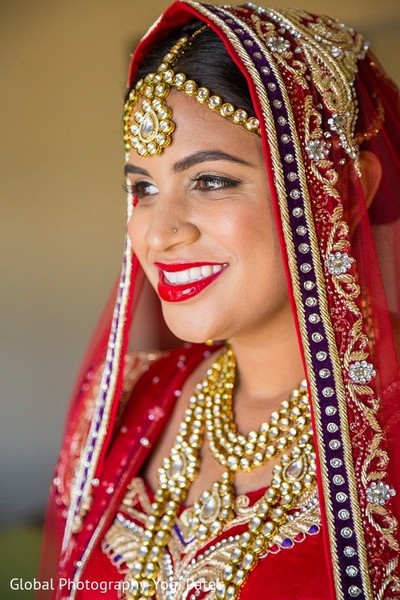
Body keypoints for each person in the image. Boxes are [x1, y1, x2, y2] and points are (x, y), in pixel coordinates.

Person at [38, 1, 400, 599]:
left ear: (344, 187)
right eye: (143, 187)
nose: (158, 232)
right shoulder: (124, 399)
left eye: (211, 180)